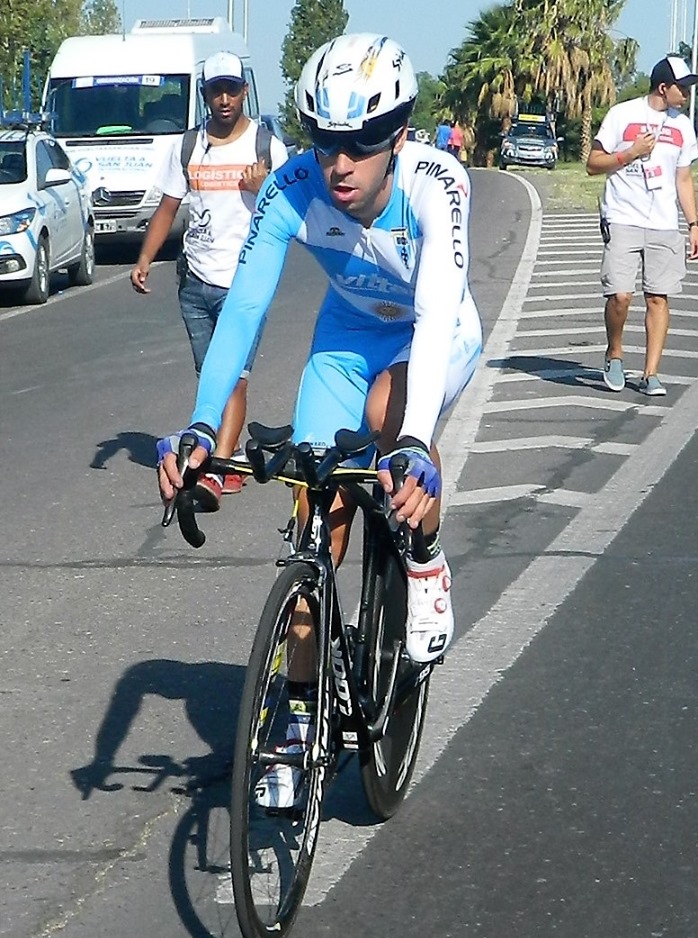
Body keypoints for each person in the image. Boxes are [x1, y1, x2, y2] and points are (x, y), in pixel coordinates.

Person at [157, 33, 483, 806]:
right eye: (326, 140)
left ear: (397, 136)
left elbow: (437, 311)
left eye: (362, 143)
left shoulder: (437, 182)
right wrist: (202, 426)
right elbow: (243, 310)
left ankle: (426, 561)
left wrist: (412, 443)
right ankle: (299, 719)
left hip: (431, 332)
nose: (341, 161)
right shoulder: (292, 185)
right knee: (315, 516)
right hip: (346, 337)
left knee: (388, 415)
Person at [131, 51, 288, 508]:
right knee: (211, 378)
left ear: (244, 92)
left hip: (245, 284)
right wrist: (145, 258)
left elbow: (296, 213)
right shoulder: (188, 146)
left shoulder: (266, 147)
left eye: (231, 90)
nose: (224, 99)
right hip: (195, 283)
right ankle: (228, 452)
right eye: (215, 91)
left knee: (234, 378)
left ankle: (217, 468)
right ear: (204, 95)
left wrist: (265, 188)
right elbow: (168, 207)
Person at [587, 54, 698, 397]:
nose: (687, 94)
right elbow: (592, 164)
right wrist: (630, 152)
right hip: (622, 216)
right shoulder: (623, 114)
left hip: (663, 223)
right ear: (663, 88)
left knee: (657, 298)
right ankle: (614, 353)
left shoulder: (683, 126)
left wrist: (693, 223)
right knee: (620, 295)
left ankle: (650, 373)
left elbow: (683, 178)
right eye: (682, 88)